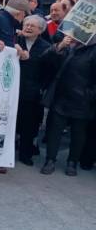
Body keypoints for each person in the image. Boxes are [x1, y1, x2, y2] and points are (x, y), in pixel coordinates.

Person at [39, 33, 96, 176]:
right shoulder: (68, 46)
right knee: (54, 130)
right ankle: (50, 160)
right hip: (61, 97)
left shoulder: (93, 50)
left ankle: (72, 162)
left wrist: (89, 94)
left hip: (82, 100)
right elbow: (45, 59)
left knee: (78, 133)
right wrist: (59, 46)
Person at [15, 15, 51, 166]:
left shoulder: (46, 47)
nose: (28, 27)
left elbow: (49, 71)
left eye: (32, 26)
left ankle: (25, 153)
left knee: (29, 125)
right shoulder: (15, 40)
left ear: (41, 30)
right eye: (26, 24)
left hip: (33, 93)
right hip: (13, 90)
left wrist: (41, 88)